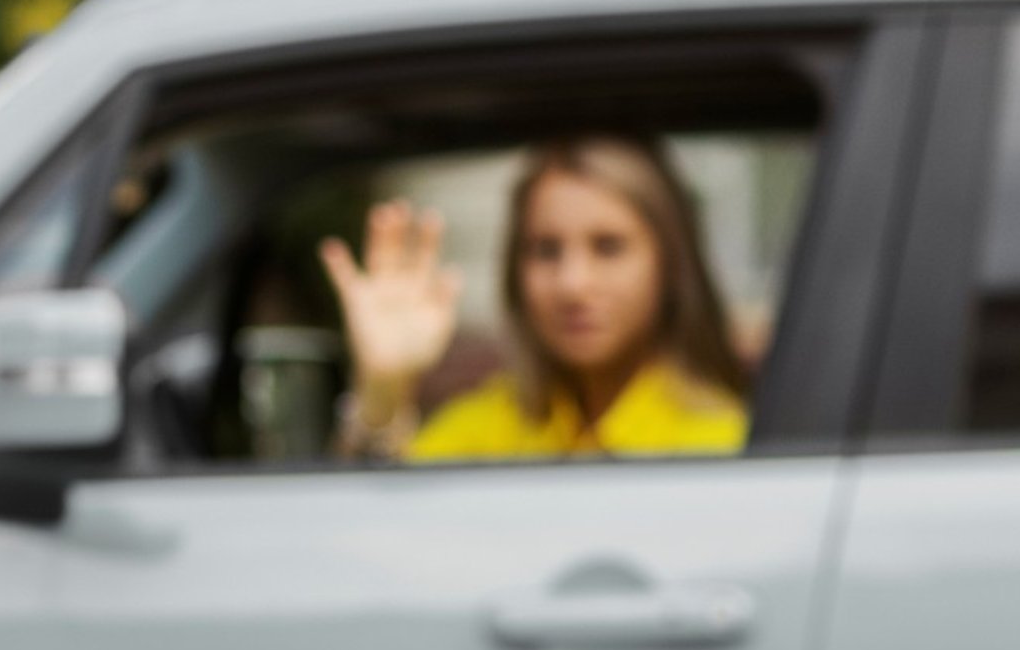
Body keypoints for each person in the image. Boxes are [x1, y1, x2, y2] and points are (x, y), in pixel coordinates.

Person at [321, 133, 754, 462]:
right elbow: (366, 530)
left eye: (608, 247)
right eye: (546, 250)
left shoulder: (728, 442)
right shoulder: (483, 427)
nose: (573, 284)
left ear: (670, 264)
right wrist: (383, 390)